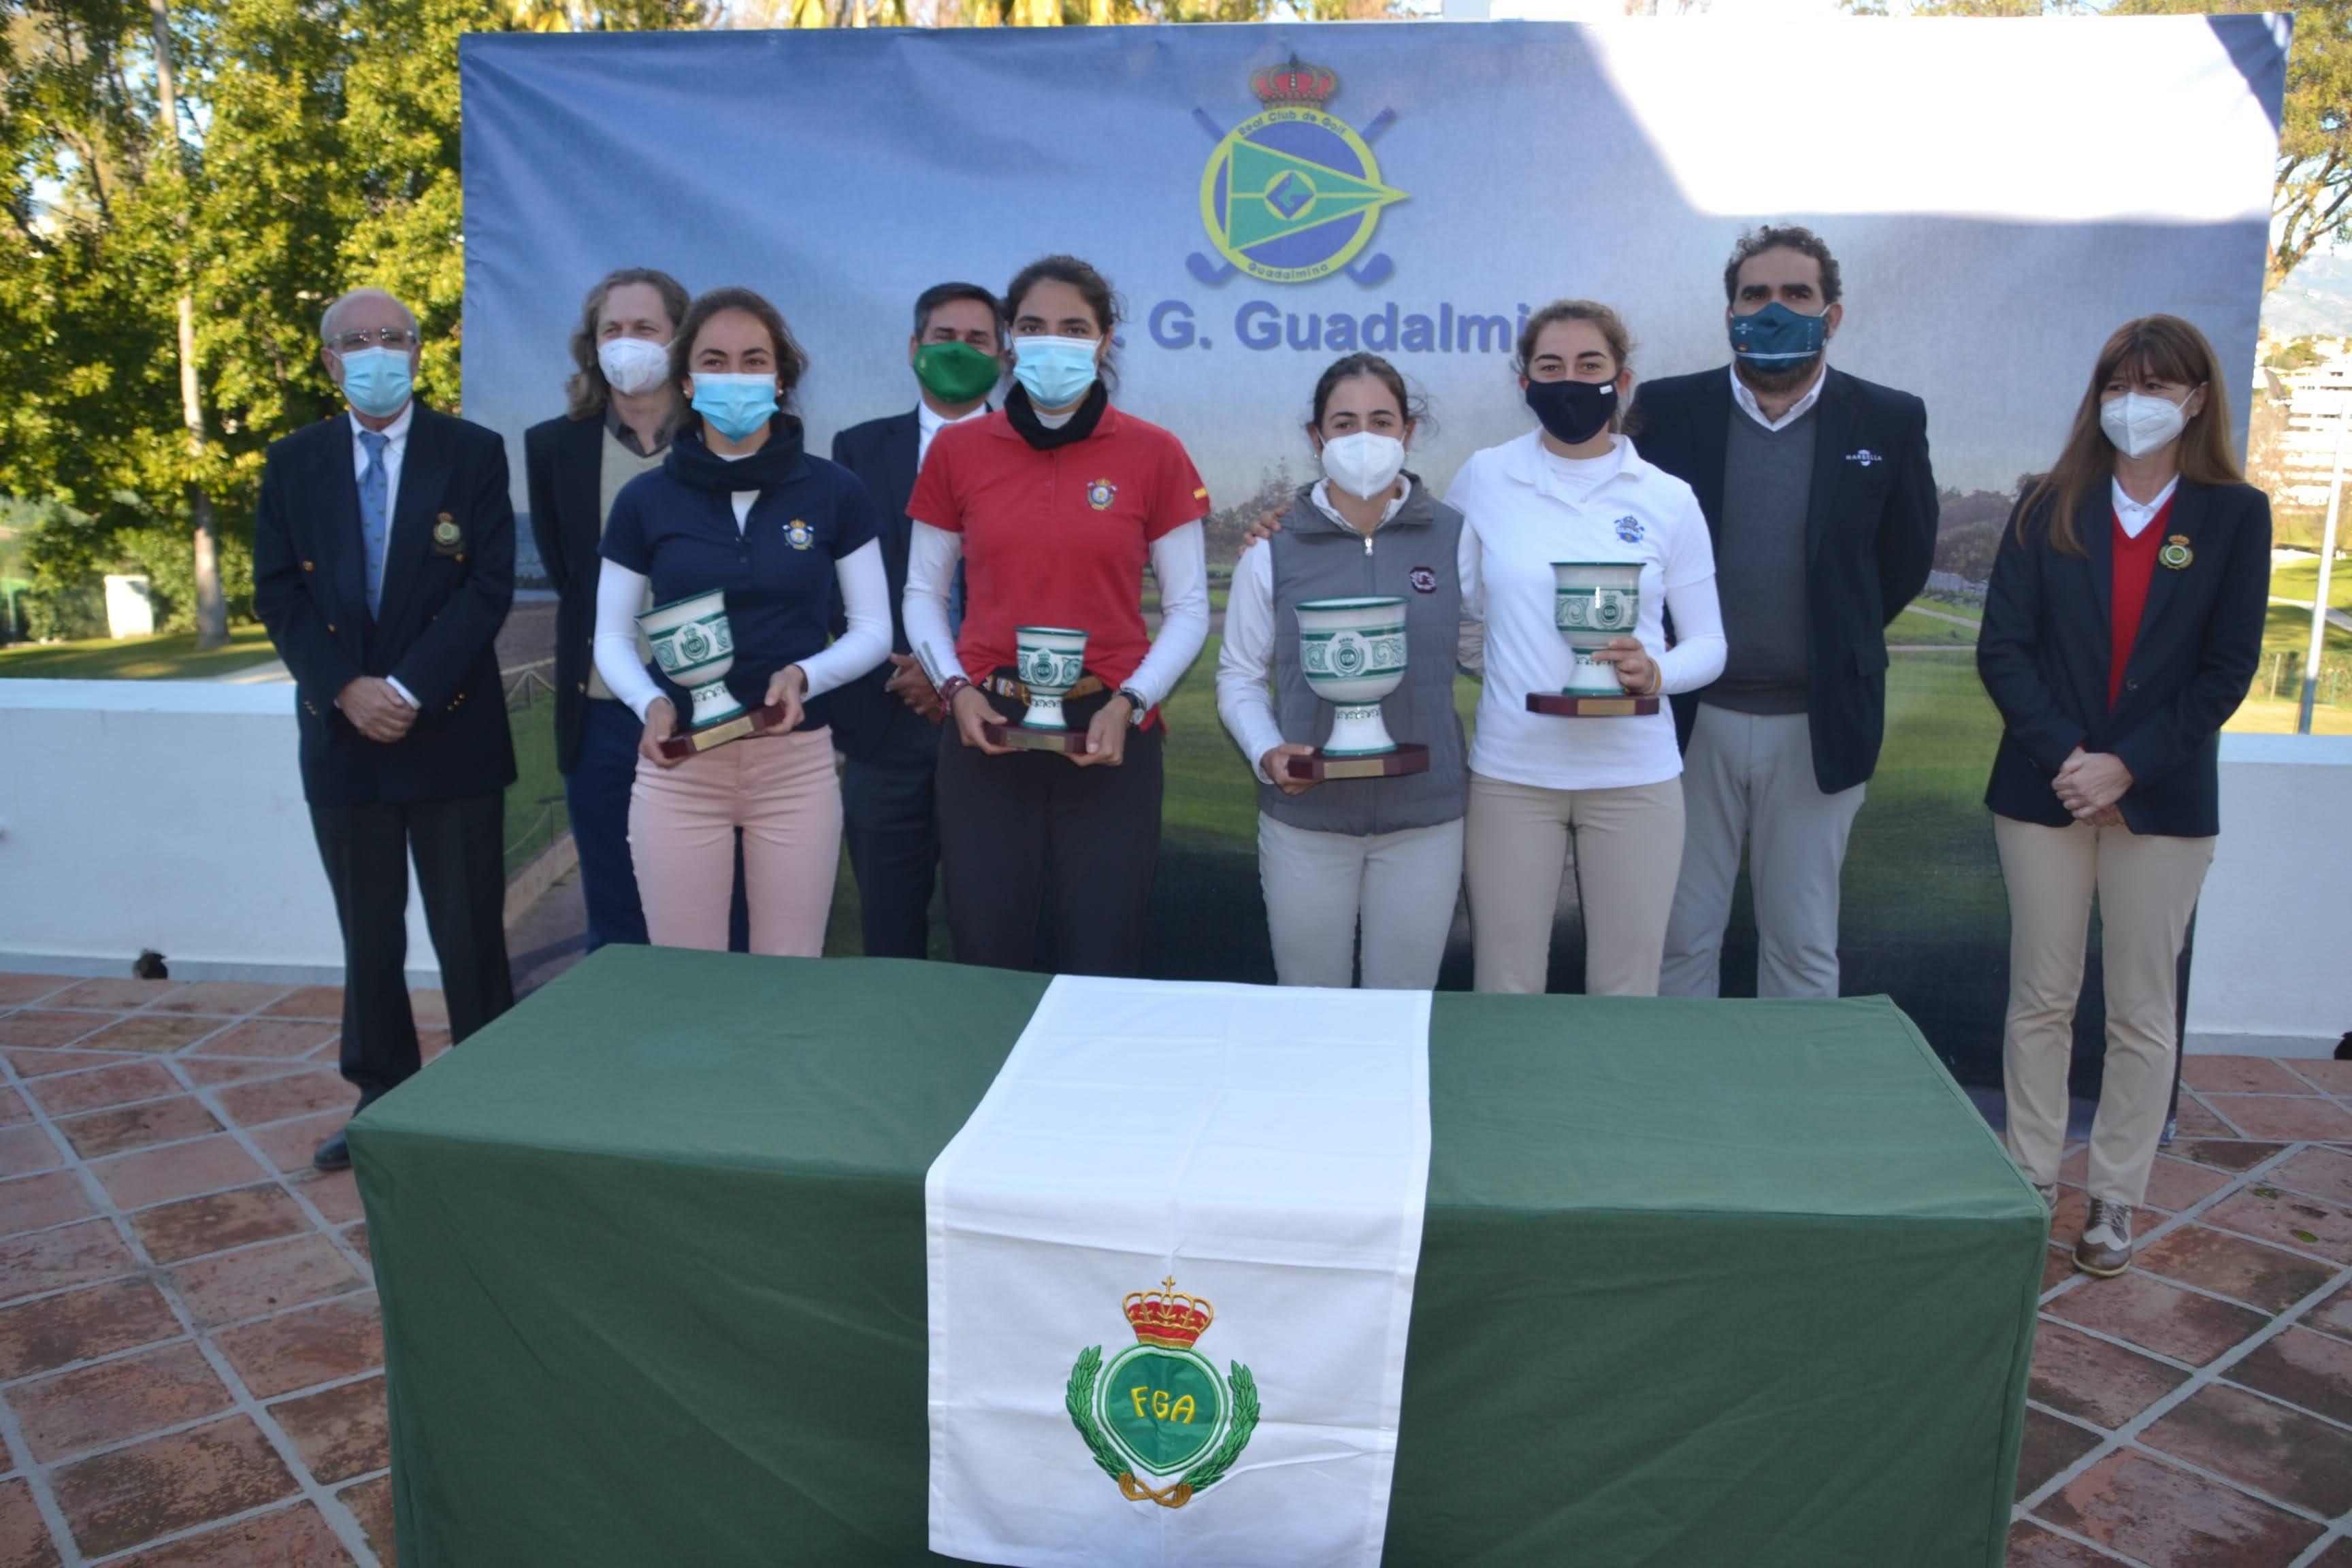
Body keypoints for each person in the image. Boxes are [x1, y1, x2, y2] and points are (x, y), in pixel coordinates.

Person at [1978, 314, 2267, 1277]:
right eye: (2116, 384)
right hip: (2043, 789)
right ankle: (2029, 1175)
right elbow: (2004, 651)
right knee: (2042, 998)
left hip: (2164, 800)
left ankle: (2113, 1198)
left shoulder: (2235, 514)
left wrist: (2127, 766)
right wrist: (2073, 757)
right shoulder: (2045, 504)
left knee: (2143, 1009)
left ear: (2194, 399)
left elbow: (2226, 671)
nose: (2131, 403)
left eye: (2153, 385)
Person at [1632, 225, 1938, 1000]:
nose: (1774, 310)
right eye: (1756, 295)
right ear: (1729, 312)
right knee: (1675, 940)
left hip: (1818, 725)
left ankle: (1790, 1119)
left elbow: (1901, 560)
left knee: (1802, 948)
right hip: (1682, 722)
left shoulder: (1889, 421)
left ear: (1832, 315)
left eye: (1796, 295)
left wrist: (1831, 635)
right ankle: (1680, 1114)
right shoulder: (1665, 413)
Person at [251, 287, 517, 1172]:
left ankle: (486, 1101)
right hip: (342, 736)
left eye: (391, 337)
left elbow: (487, 587)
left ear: (417, 351)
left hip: (451, 728)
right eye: (354, 340)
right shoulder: (292, 463)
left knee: (470, 930)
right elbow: (278, 592)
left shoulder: (472, 454)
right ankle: (381, 1101)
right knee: (369, 932)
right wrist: (346, 691)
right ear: (330, 362)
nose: (375, 351)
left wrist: (405, 687)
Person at [902, 255, 1212, 976]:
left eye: (1075, 327)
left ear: (1106, 342)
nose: (1054, 341)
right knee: (987, 953)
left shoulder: (1156, 453)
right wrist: (955, 691)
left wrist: (1131, 704)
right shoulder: (957, 450)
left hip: (1110, 736)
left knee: (1104, 955)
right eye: (1034, 326)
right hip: (985, 730)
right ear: (1009, 341)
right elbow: (922, 593)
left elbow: (1189, 609)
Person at [592, 287, 891, 955]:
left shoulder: (835, 491)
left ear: (781, 379)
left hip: (795, 769)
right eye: (715, 362)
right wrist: (648, 704)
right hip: (679, 770)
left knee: (787, 980)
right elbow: (612, 636)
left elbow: (874, 630)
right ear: (688, 382)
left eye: (754, 361)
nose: (736, 377)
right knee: (688, 984)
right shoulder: (645, 500)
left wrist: (805, 676)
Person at [1448, 300, 1726, 996]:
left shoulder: (1668, 498)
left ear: (1622, 381)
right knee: (1505, 984)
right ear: (1525, 384)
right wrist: (1511, 669)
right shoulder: (1484, 477)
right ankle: (1512, 1107)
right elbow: (1454, 610)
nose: (1569, 381)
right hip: (1512, 774)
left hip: (1636, 778)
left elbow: (1711, 644)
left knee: (1628, 987)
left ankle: (1611, 1109)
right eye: (1551, 366)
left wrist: (1655, 671)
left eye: (1589, 366)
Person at [1215, 354, 1467, 990]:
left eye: (1381, 421)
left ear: (1409, 432)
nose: (1364, 438)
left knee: (1402, 1010)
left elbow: (1489, 648)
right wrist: (1266, 750)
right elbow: (1240, 675)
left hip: (1426, 819)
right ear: (1316, 436)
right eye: (1345, 422)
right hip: (1308, 820)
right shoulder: (1272, 549)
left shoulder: (1457, 536)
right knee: (1309, 1008)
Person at [826, 282, 1002, 960]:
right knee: (889, 942)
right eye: (944, 338)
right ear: (913, 349)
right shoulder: (859, 451)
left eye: (978, 340)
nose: (960, 351)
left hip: (1000, 739)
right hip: (885, 729)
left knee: (996, 941)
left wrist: (955, 679)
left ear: (1003, 356)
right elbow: (836, 585)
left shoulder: (1035, 453)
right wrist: (912, 673)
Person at [524, 266, 689, 953]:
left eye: (645, 328)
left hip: (706, 704)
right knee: (616, 906)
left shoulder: (727, 438)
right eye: (611, 329)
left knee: (719, 899)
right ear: (591, 345)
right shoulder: (553, 446)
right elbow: (571, 574)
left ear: (679, 339)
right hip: (598, 709)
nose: (627, 343)